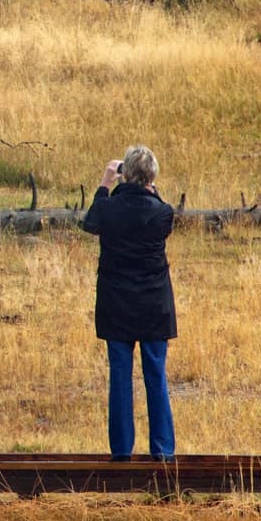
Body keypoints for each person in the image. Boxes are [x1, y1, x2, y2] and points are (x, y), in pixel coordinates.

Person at [80, 145, 177, 463]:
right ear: (151, 178)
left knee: (120, 376)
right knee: (156, 374)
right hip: (153, 304)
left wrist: (105, 183)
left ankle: (121, 450)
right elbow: (161, 207)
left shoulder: (108, 209)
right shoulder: (162, 213)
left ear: (126, 173)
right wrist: (151, 188)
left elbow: (90, 223)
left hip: (116, 302)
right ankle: (162, 450)